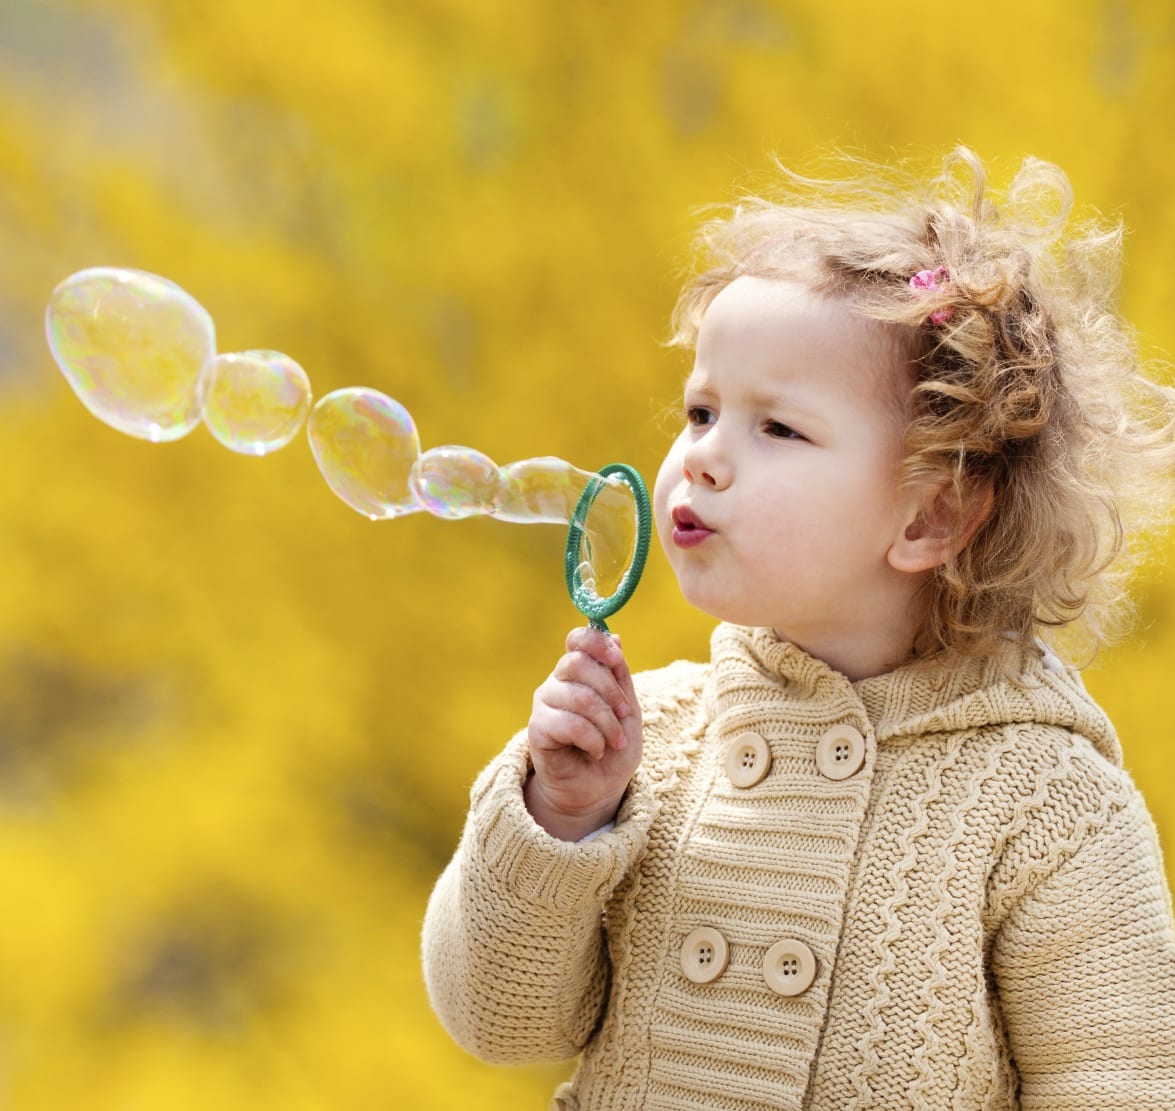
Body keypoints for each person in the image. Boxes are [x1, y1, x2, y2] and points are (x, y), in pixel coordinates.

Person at [421, 147, 1175, 1109]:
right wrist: (561, 821)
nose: (704, 459)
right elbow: (497, 1023)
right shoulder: (646, 744)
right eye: (700, 410)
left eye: (777, 428)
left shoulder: (1045, 803)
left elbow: (1120, 1075)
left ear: (927, 518)